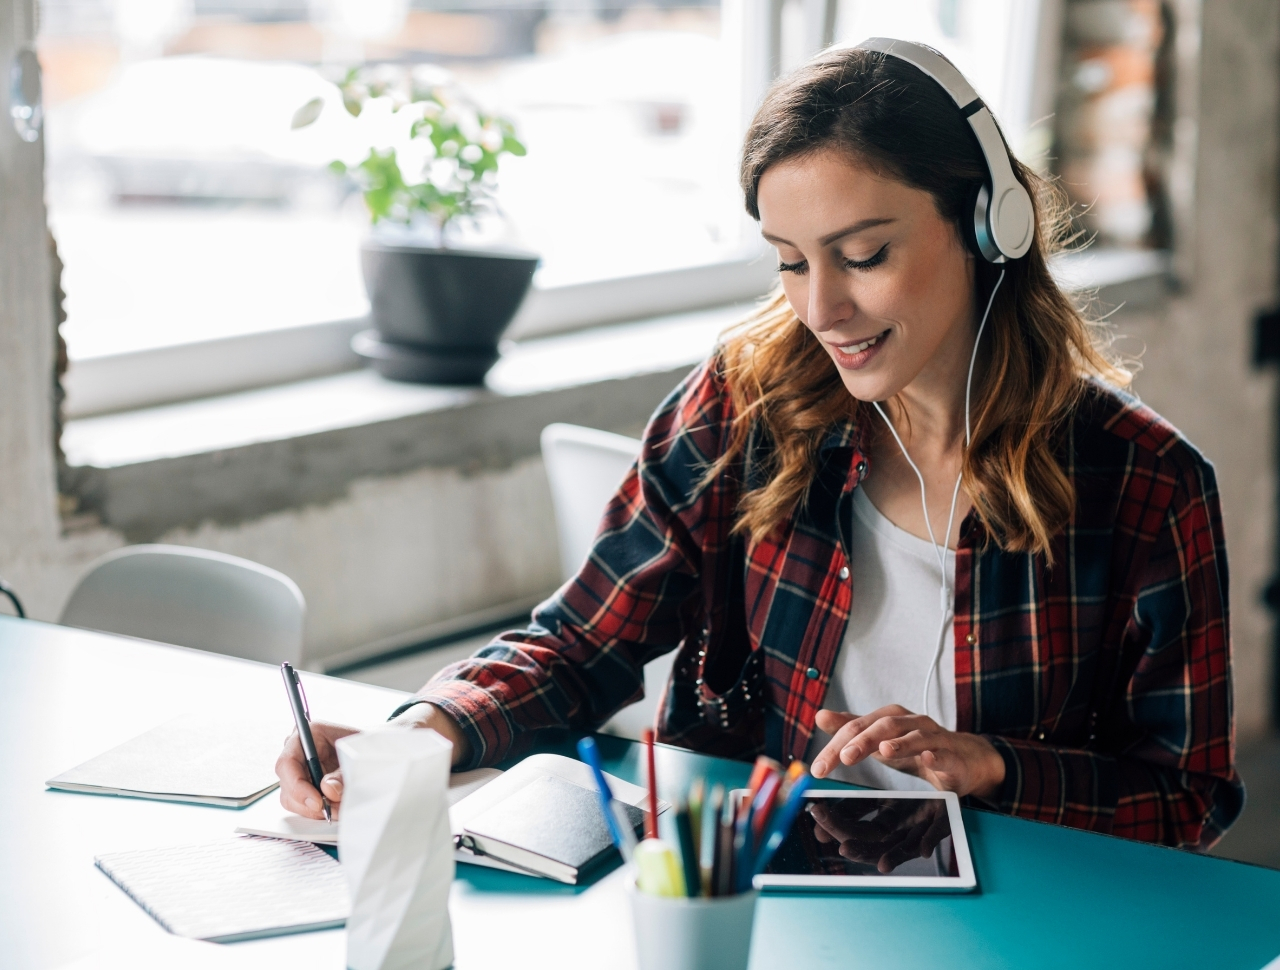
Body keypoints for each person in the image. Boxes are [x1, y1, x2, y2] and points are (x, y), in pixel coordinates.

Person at [278, 43, 1241, 850]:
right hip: (757, 895)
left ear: (990, 227)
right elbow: (581, 646)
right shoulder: (749, 406)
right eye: (790, 261)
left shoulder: (1148, 483)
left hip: (1025, 916)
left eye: (863, 255)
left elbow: (1187, 797)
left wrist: (995, 767)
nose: (821, 309)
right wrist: (419, 733)